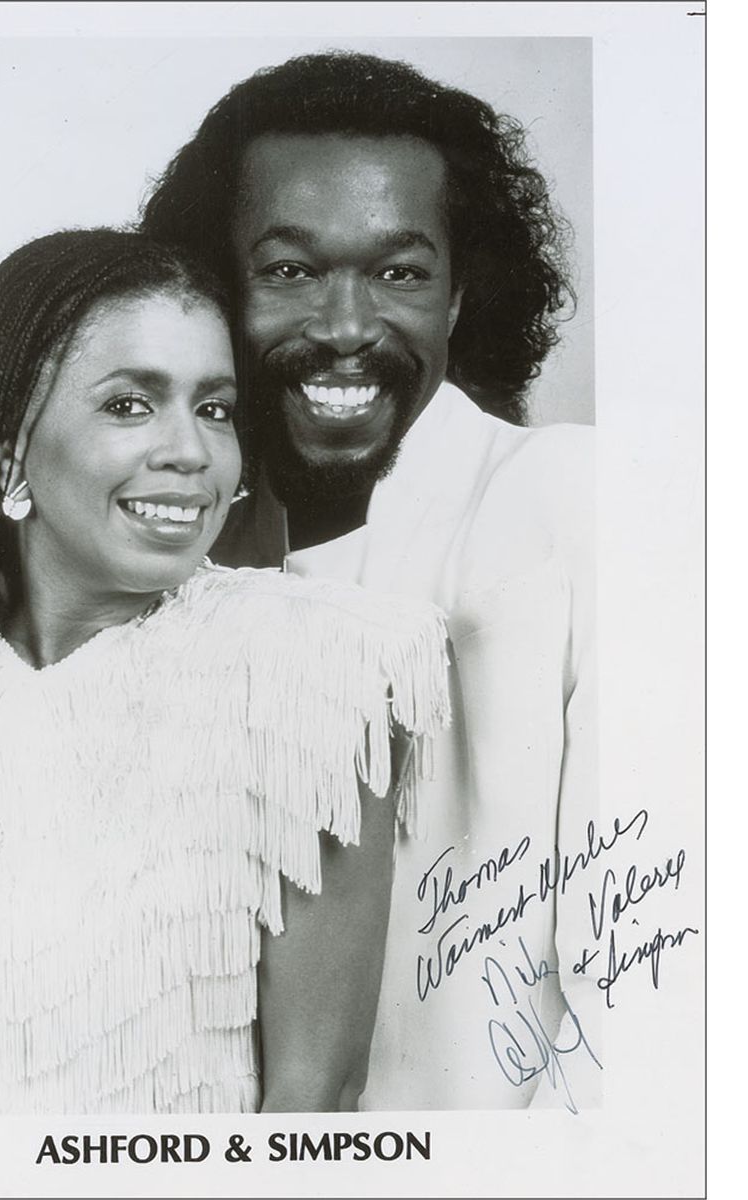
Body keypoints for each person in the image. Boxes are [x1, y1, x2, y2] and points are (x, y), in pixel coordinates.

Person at [0, 229, 451, 1115]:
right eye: (130, 405)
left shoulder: (312, 670)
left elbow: (315, 1096)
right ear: (3, 448)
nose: (192, 452)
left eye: (214, 408)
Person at [141, 50, 597, 1110]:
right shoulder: (173, 557)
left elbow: (655, 1007)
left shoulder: (571, 498)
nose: (346, 328)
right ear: (216, 291)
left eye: (400, 273)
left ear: (461, 296)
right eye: (290, 271)